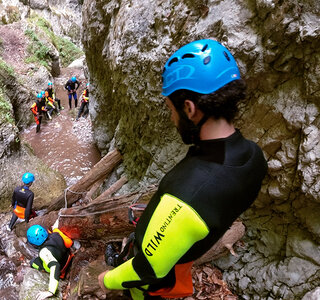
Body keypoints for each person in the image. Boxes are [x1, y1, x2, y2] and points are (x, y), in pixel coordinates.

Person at [98, 39, 268, 299]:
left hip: (158, 281)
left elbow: (146, 271)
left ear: (189, 108)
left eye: (171, 110)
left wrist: (106, 279)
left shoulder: (188, 197)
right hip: (181, 252)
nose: (171, 118)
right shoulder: (253, 157)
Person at [27, 224, 74, 300]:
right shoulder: (55, 234)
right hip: (67, 257)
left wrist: (51, 291)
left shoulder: (44, 252)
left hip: (61, 268)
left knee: (33, 262)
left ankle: (45, 271)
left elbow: (55, 266)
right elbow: (69, 242)